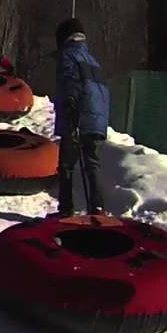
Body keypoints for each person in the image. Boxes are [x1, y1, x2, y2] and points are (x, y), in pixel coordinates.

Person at [54, 18, 111, 217]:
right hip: (98, 119)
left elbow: (71, 80)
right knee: (92, 165)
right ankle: (97, 208)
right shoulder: (92, 60)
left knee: (66, 165)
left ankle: (65, 210)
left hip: (77, 115)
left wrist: (70, 101)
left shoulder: (68, 56)